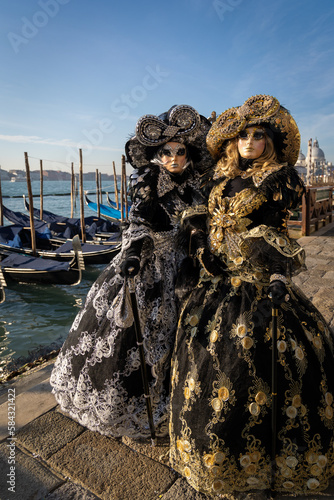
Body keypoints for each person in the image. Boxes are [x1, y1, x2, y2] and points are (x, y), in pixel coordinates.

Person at [169, 95, 334, 498]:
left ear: (269, 142)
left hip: (258, 283)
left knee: (259, 365)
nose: (249, 140)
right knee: (205, 363)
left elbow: (281, 232)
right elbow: (203, 218)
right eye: (243, 134)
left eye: (258, 135)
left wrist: (279, 273)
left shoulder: (278, 180)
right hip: (217, 284)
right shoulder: (220, 178)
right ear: (232, 141)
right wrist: (198, 240)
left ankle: (266, 462)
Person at [50, 104, 213, 439]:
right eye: (165, 153)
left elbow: (201, 223)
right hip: (151, 268)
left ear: (190, 152)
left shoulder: (196, 185)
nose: (173, 159)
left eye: (180, 152)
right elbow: (137, 224)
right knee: (139, 337)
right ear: (155, 155)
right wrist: (135, 253)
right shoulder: (148, 183)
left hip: (187, 267)